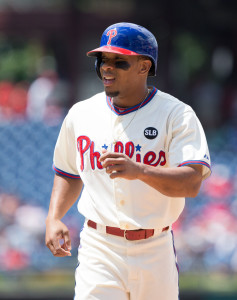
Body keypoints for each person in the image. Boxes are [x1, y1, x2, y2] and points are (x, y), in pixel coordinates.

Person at [45, 22, 211, 300]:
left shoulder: (177, 115)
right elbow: (68, 172)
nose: (107, 67)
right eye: (103, 60)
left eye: (118, 61)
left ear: (144, 67)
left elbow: (192, 183)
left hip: (154, 248)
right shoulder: (81, 113)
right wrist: (54, 217)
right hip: (100, 246)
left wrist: (141, 171)